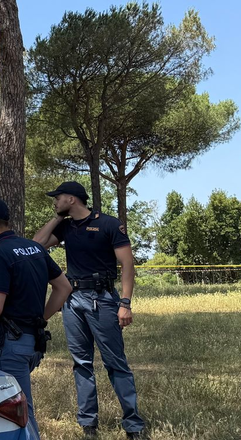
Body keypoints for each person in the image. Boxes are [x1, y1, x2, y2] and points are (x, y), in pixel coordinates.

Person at [33, 181, 147, 439]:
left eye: (58, 198)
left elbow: (127, 264)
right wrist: (56, 218)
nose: (55, 201)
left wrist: (125, 304)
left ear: (72, 199)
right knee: (81, 363)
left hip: (102, 299)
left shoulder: (107, 224)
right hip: (72, 301)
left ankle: (133, 424)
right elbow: (37, 244)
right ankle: (88, 424)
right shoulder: (65, 226)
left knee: (115, 363)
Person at [0, 197, 72, 440]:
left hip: (12, 346)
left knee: (19, 413)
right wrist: (40, 319)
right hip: (33, 343)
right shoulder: (34, 248)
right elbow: (63, 288)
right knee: (21, 406)